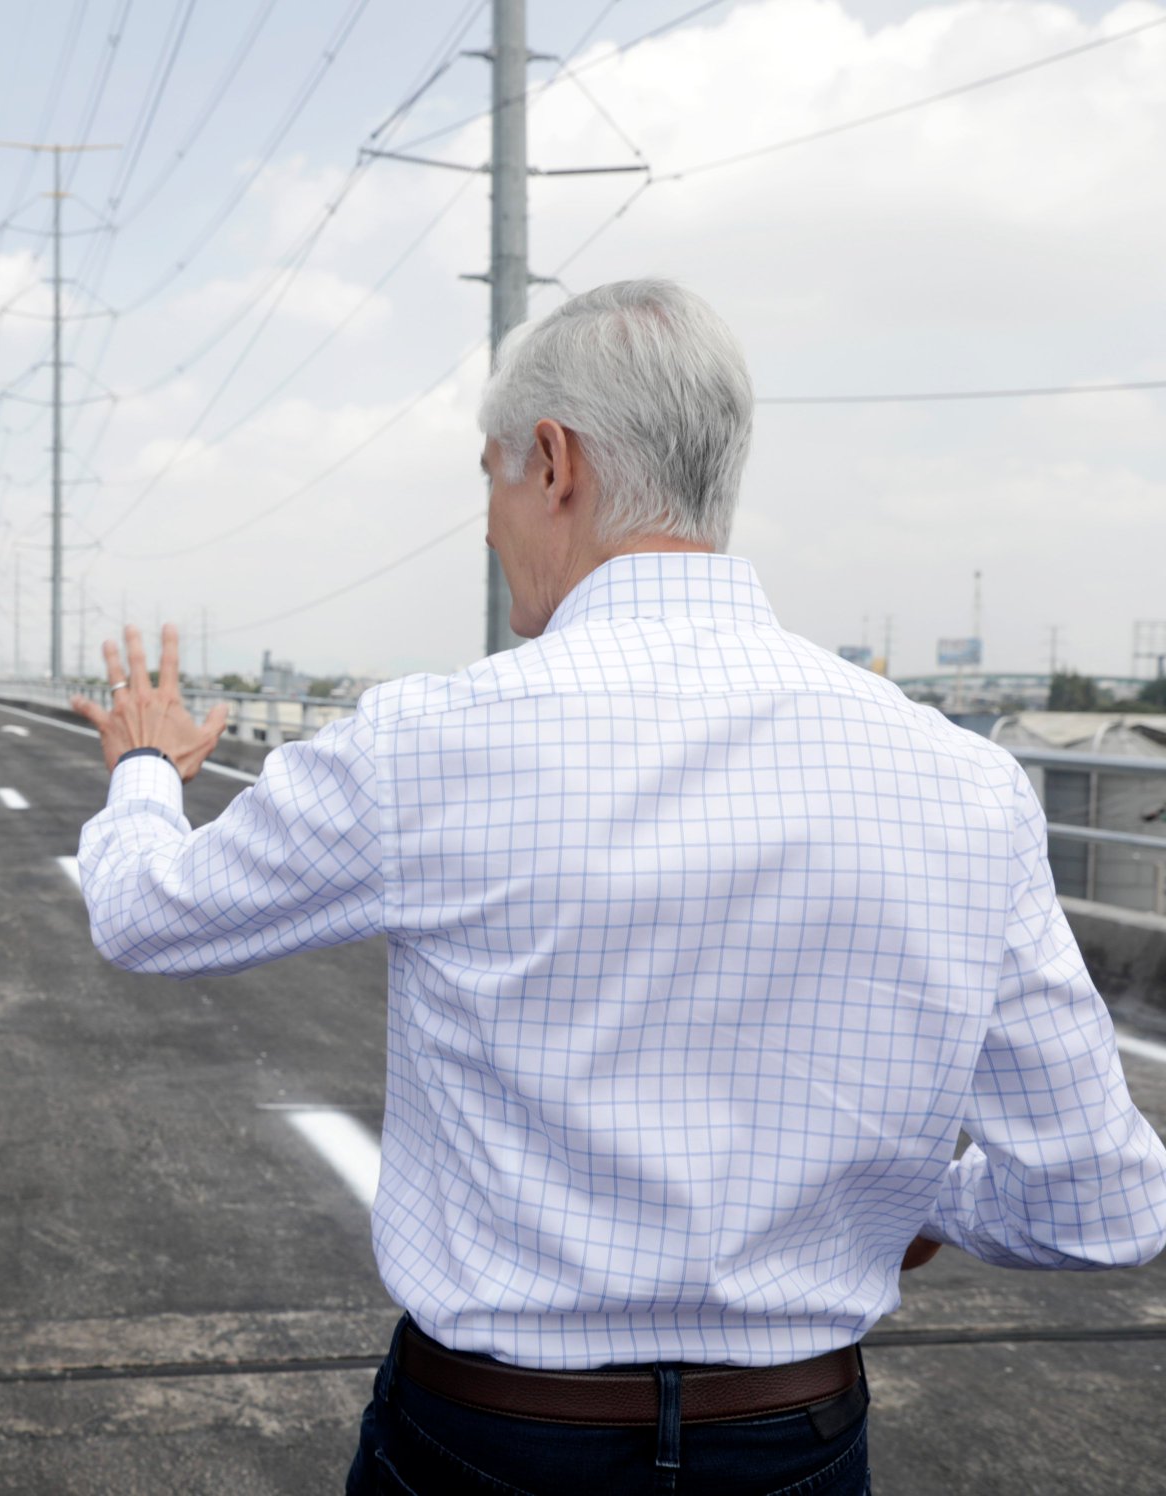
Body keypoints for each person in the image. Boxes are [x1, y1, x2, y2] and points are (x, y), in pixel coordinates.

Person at [70, 280, 1166, 1495]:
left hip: (491, 1443)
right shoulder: (965, 781)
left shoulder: (430, 741)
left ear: (552, 462)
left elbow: (142, 911)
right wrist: (919, 1195)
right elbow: (1097, 1205)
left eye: (487, 477)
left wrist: (140, 767)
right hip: (793, 1444)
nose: (485, 526)